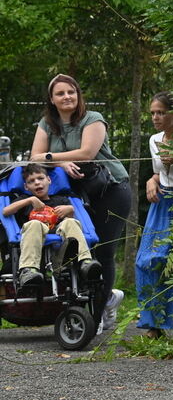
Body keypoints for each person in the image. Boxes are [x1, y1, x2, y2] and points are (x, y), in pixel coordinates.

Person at [31, 74, 131, 333]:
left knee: (103, 252)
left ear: (78, 95)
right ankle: (106, 298)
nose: (67, 97)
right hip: (74, 196)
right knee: (76, 251)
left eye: (71, 92)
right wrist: (61, 162)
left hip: (110, 190)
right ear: (52, 100)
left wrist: (52, 157)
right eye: (61, 93)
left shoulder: (93, 119)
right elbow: (34, 156)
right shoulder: (46, 123)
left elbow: (86, 153)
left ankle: (96, 317)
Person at [136, 92, 173, 337]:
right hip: (162, 203)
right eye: (153, 113)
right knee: (148, 259)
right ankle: (153, 322)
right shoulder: (154, 140)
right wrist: (152, 179)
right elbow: (159, 171)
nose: (156, 117)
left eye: (161, 112)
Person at [3, 163, 100, 291]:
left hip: (61, 248)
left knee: (70, 223)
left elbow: (72, 222)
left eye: (40, 178)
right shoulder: (24, 200)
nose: (37, 183)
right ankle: (28, 270)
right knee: (35, 223)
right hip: (34, 240)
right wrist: (29, 200)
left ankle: (85, 262)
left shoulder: (61, 200)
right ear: (26, 187)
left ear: (49, 180)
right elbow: (5, 211)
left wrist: (70, 209)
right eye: (31, 181)